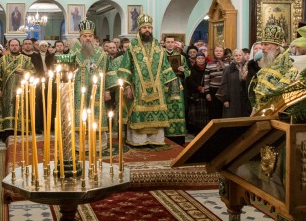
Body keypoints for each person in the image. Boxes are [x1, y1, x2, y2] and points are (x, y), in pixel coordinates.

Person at [117, 13, 184, 146]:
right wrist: (127, 86)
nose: (147, 30)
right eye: (144, 28)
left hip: (157, 90)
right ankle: (139, 140)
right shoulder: (132, 47)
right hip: (138, 89)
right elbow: (125, 68)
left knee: (157, 113)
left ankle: (155, 140)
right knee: (137, 113)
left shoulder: (158, 47)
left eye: (149, 27)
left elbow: (165, 67)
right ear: (139, 29)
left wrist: (172, 85)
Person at [68, 19, 110, 133]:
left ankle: (96, 135)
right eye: (85, 36)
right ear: (80, 37)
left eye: (90, 36)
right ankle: (79, 135)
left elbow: (107, 72)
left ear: (93, 37)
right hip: (78, 89)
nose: (87, 38)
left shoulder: (101, 53)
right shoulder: (73, 53)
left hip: (96, 89)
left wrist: (107, 91)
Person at [0, 38, 34, 138]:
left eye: (16, 45)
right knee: (7, 110)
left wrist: (24, 72)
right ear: (9, 47)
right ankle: (7, 133)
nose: (14, 47)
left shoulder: (26, 59)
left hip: (22, 91)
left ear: (20, 46)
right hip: (6, 91)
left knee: (20, 110)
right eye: (12, 45)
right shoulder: (3, 59)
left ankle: (21, 132)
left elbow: (33, 73)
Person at [250, 24, 296, 114]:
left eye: (266, 44)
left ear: (277, 46)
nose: (262, 48)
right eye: (262, 44)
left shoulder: (287, 64)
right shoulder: (268, 63)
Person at [217, 49, 251, 118]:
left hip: (244, 99)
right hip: (232, 99)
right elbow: (224, 85)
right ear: (233, 57)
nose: (238, 57)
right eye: (236, 56)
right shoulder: (228, 69)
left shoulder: (247, 69)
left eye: (240, 55)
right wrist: (225, 99)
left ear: (243, 56)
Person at [185, 51, 208, 134]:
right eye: (198, 58)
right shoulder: (192, 69)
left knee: (204, 116)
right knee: (194, 116)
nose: (200, 60)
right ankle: (195, 131)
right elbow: (190, 81)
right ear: (196, 59)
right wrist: (199, 88)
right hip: (195, 95)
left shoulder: (208, 68)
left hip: (205, 94)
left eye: (202, 58)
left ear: (205, 59)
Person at [204, 45, 229, 120]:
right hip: (213, 91)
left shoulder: (228, 63)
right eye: (216, 51)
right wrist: (207, 92)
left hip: (225, 91)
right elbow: (206, 79)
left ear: (223, 52)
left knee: (224, 112)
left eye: (220, 51)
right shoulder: (209, 64)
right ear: (214, 52)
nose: (218, 52)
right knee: (214, 112)